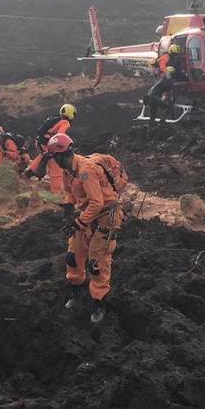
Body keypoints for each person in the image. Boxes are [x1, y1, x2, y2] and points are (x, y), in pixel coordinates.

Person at [43, 133, 124, 323]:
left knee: (97, 259)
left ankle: (99, 301)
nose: (54, 162)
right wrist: (69, 208)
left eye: (55, 157)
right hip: (88, 214)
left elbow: (97, 202)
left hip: (106, 215)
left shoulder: (86, 170)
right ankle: (76, 290)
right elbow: (71, 194)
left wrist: (79, 223)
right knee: (74, 253)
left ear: (62, 155)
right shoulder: (68, 172)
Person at [24, 103, 75, 196]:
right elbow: (60, 136)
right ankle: (57, 193)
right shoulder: (65, 122)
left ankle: (30, 171)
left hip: (40, 142)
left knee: (43, 155)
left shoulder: (55, 119)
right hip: (47, 143)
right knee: (56, 165)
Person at [145, 44, 187, 121]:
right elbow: (162, 68)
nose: (175, 56)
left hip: (149, 96)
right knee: (169, 105)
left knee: (153, 115)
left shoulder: (171, 61)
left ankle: (152, 127)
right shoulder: (165, 58)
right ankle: (162, 122)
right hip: (155, 94)